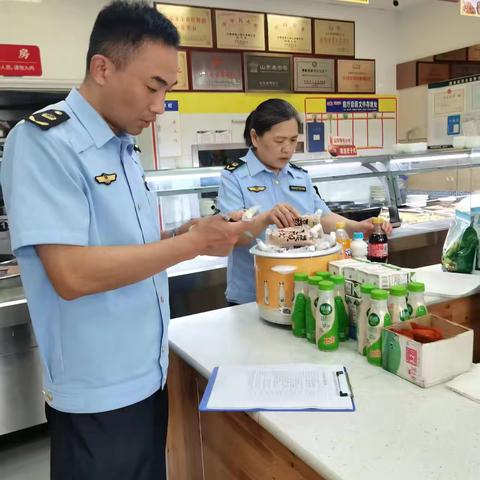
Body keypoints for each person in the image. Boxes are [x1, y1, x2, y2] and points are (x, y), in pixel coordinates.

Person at [1, 2, 250, 480]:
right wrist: (192, 246)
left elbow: (121, 245)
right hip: (97, 390)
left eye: (167, 90)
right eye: (152, 87)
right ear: (102, 67)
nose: (159, 105)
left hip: (146, 375)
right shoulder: (44, 142)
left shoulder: (122, 146)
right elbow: (71, 274)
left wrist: (185, 232)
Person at [218, 98, 392, 305]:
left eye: (293, 141)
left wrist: (358, 227)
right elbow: (231, 238)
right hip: (253, 294)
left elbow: (323, 217)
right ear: (255, 138)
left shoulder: (300, 176)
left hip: (305, 289)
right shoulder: (234, 176)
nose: (287, 149)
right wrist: (264, 219)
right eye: (279, 140)